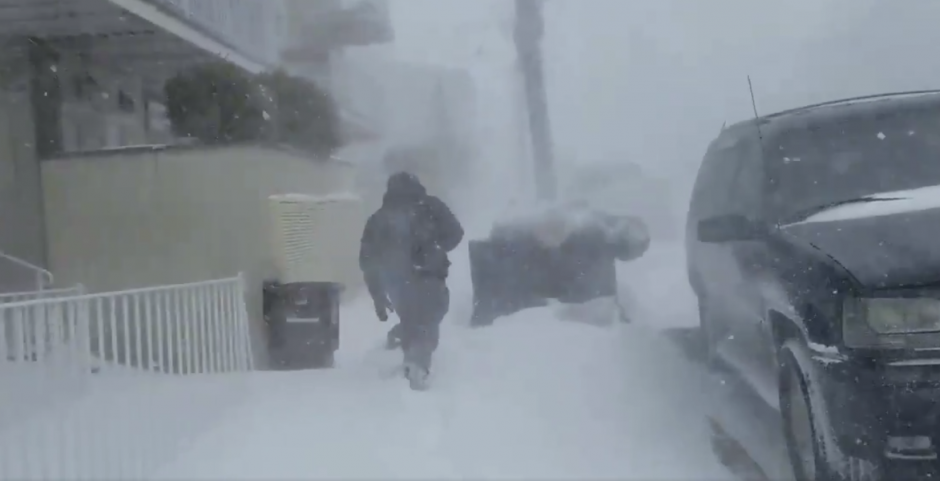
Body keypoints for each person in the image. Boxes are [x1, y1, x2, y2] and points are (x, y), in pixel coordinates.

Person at [359, 172, 464, 390]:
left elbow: (368, 260)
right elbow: (456, 233)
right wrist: (436, 247)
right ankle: (416, 365)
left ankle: (405, 345)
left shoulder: (379, 218)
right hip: (429, 277)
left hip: (399, 283)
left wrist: (378, 295)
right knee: (428, 321)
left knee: (414, 319)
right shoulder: (431, 206)